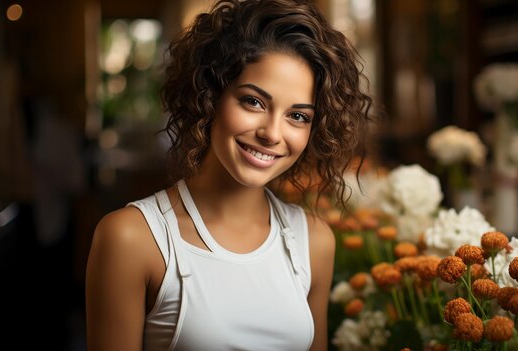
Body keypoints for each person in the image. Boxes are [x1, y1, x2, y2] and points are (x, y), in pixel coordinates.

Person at [85, 0, 373, 350]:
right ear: (211, 96)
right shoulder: (132, 238)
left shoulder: (313, 242)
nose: (272, 133)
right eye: (254, 102)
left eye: (298, 116)